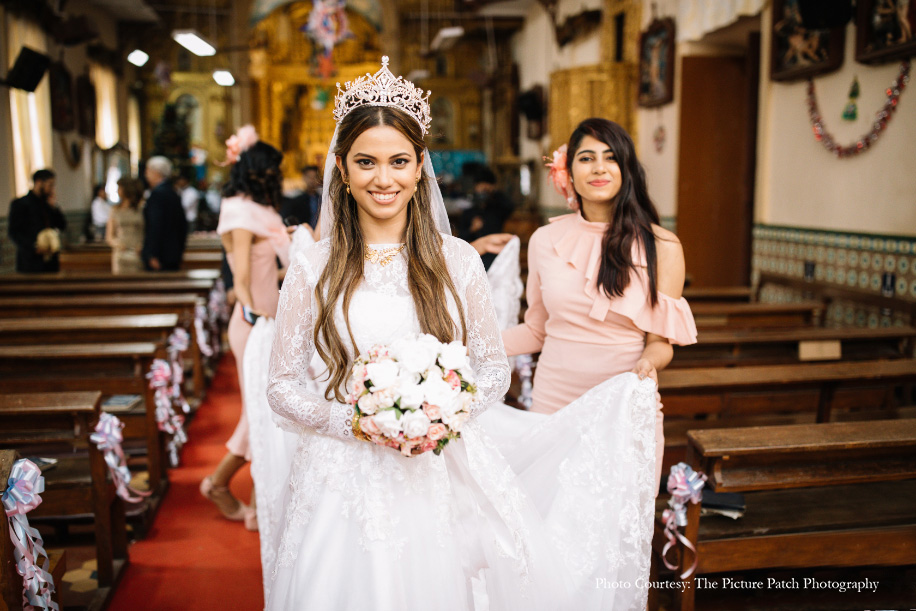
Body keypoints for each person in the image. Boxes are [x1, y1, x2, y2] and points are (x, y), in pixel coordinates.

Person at [264, 57, 663, 610]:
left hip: (434, 466)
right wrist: (355, 421)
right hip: (340, 473)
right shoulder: (314, 266)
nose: (385, 179)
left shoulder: (457, 261)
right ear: (342, 168)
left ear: (420, 164)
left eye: (399, 161)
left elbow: (493, 368)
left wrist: (439, 412)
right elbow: (281, 387)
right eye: (367, 163)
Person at [491, 117, 698, 488]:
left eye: (610, 157)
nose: (599, 167)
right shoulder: (544, 239)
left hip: (621, 399)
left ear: (626, 169)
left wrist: (648, 364)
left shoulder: (663, 246)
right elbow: (537, 330)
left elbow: (659, 344)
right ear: (568, 172)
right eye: (586, 158)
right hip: (554, 400)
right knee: (546, 513)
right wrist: (466, 344)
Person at [200, 131, 291, 533]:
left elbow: (272, 271)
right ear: (257, 170)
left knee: (267, 413)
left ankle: (257, 502)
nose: (275, 174)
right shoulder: (239, 213)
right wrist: (255, 315)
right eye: (271, 168)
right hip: (253, 325)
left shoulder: (261, 211)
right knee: (260, 414)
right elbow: (238, 275)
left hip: (273, 321)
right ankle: (218, 484)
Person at [456, 163, 515, 269]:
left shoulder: (497, 209)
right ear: (475, 187)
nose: (483, 191)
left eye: (486, 187)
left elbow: (510, 206)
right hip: (475, 257)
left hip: (495, 257)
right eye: (481, 187)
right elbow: (461, 238)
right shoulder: (469, 212)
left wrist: (493, 191)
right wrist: (472, 229)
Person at [8, 168, 66, 273]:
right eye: (50, 185)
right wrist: (33, 247)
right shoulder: (20, 204)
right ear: (39, 182)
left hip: (51, 262)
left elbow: (62, 225)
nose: (52, 189)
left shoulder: (48, 204)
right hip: (30, 262)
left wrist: (54, 207)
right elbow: (14, 232)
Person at [141, 156, 188, 271]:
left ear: (156, 172)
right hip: (173, 252)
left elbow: (155, 225)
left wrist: (152, 254)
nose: (146, 174)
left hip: (161, 255)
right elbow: (182, 225)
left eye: (147, 171)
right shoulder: (173, 192)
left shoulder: (157, 195)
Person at [279, 164, 321, 229]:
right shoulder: (297, 201)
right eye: (309, 177)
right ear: (304, 178)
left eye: (315, 177)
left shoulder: (323, 199)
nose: (312, 180)